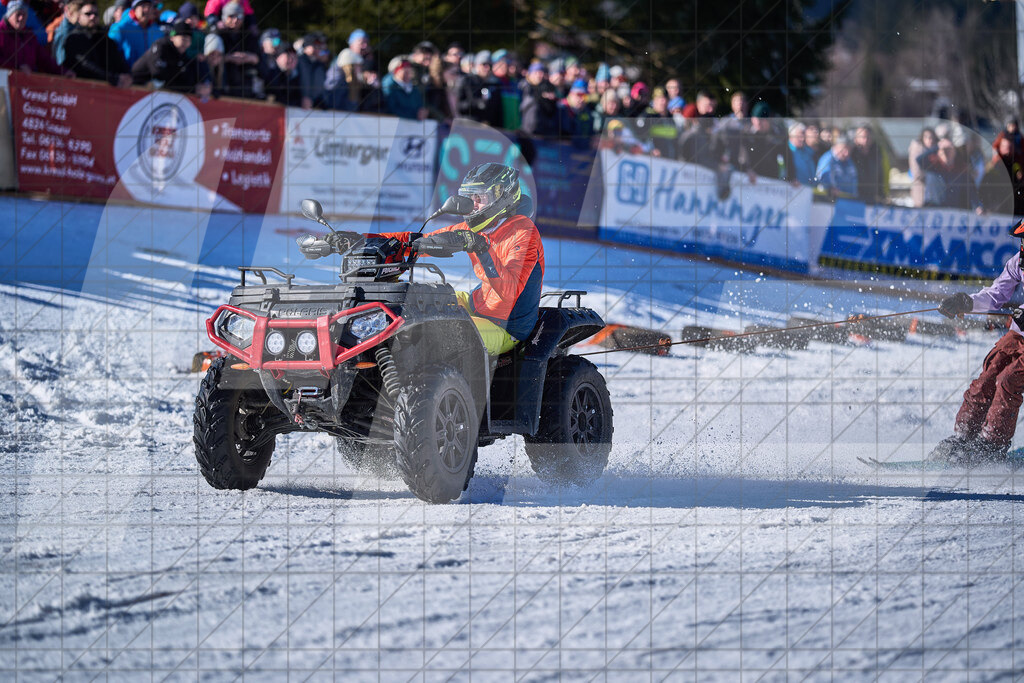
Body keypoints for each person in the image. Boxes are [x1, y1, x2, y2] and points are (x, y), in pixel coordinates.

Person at [301, 164, 544, 356]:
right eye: (469, 198)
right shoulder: (482, 227)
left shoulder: (524, 233)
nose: (472, 206)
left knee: (438, 336)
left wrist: (480, 247)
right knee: (410, 305)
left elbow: (510, 291)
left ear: (502, 198)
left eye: (480, 198)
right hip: (477, 304)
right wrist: (357, 240)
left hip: (506, 327)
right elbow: (414, 241)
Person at [932, 219, 1024, 463]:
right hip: (1020, 333)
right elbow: (995, 295)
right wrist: (966, 302)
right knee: (989, 375)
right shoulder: (1018, 262)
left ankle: (992, 445)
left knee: (1008, 380)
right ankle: (965, 436)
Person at [131, 19, 208, 95]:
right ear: (172, 37)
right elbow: (157, 73)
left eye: (189, 40)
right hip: (136, 86)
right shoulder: (161, 46)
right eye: (183, 39)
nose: (186, 43)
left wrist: (195, 89)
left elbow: (185, 79)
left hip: (156, 93)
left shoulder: (182, 55)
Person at [62, 1, 129, 85]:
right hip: (79, 89)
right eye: (88, 14)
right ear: (79, 18)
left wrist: (126, 75)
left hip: (108, 91)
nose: (92, 16)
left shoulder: (105, 40)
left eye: (96, 14)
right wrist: (112, 78)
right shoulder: (73, 38)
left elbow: (118, 62)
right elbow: (84, 65)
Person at [916, 138, 982, 212]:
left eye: (949, 150)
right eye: (943, 151)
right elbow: (919, 159)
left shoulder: (960, 169)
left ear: (954, 152)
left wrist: (977, 206)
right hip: (932, 210)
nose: (946, 154)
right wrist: (937, 146)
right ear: (938, 153)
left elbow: (971, 192)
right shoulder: (933, 166)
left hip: (952, 212)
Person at [0, 1, 66, 74]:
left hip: (26, 83)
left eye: (24, 15)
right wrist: (16, 67)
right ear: (9, 15)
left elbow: (44, 59)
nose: (21, 18)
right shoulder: (2, 33)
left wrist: (63, 72)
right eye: (18, 14)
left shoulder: (29, 37)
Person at [214, 0, 258, 98]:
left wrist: (247, 57)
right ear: (224, 17)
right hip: (223, 87)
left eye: (239, 17)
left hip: (245, 88)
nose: (235, 20)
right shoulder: (218, 34)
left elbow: (257, 57)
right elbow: (211, 59)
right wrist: (230, 58)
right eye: (231, 16)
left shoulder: (249, 34)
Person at [107, 0, 159, 66]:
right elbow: (109, 54)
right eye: (143, 6)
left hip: (149, 74)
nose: (147, 10)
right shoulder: (120, 28)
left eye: (149, 6)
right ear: (135, 8)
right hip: (128, 73)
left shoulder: (157, 30)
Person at [851, 124, 888, 204]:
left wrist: (882, 194)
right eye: (863, 137)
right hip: (855, 197)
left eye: (868, 137)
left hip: (872, 196)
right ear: (856, 138)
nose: (866, 140)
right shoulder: (851, 154)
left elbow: (880, 175)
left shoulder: (877, 152)